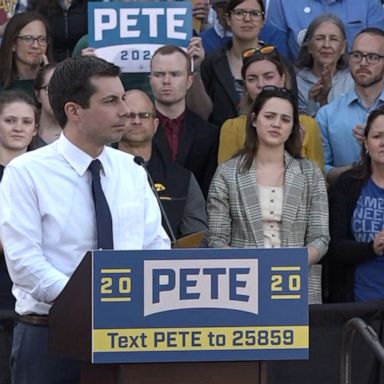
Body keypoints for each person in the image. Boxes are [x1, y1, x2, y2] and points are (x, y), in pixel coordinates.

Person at [0, 55, 170, 384]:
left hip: (127, 334)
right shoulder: (27, 172)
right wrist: (91, 303)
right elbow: (23, 262)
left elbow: (155, 247)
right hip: (50, 337)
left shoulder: (131, 170)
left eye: (122, 98)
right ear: (74, 111)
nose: (125, 110)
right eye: (110, 101)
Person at [207, 86, 329, 304]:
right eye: (270, 116)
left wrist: (288, 265)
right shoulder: (227, 173)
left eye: (285, 119)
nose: (276, 124)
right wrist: (253, 268)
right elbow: (217, 240)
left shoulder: (310, 174)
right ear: (254, 120)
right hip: (241, 286)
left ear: (293, 127)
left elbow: (320, 238)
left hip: (296, 284)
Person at [117, 89, 208, 243]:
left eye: (144, 115)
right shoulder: (99, 171)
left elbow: (198, 239)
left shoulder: (182, 179)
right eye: (129, 115)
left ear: (155, 124)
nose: (137, 121)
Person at [218, 46, 324, 170]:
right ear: (245, 86)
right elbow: (226, 180)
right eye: (252, 79)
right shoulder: (232, 128)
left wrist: (294, 150)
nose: (261, 84)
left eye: (268, 77)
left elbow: (318, 182)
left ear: (282, 80)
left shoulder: (308, 125)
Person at [327, 107, 384, 303]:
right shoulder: (347, 184)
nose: (383, 143)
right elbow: (334, 246)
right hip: (357, 303)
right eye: (377, 136)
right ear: (366, 143)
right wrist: (371, 248)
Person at [0, 90, 37, 384]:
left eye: (26, 121)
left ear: (36, 128)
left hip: (35, 305)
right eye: (9, 120)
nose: (18, 127)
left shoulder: (45, 175)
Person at [316, 27, 384, 185]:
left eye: (372, 57)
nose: (363, 63)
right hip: (346, 204)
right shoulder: (327, 115)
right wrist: (359, 169)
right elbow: (318, 172)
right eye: (357, 55)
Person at [149, 45, 218, 198]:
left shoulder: (209, 134)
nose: (166, 81)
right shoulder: (135, 128)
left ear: (189, 81)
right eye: (159, 74)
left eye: (175, 74)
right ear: (150, 79)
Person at [200, 0, 266, 128]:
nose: (247, 19)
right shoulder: (211, 63)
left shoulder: (279, 63)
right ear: (228, 19)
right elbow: (202, 114)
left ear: (263, 21)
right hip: (220, 143)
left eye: (254, 13)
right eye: (239, 13)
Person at [264, 0, 384, 63]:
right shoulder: (283, 2)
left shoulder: (369, 2)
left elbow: (378, 49)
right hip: (300, 86)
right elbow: (277, 56)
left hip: (356, 85)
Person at [296, 13, 354, 116]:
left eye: (333, 39)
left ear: (343, 47)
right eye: (320, 38)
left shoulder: (353, 82)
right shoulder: (297, 83)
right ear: (309, 46)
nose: (326, 45)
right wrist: (312, 103)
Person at [0, 11, 52, 97]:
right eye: (28, 38)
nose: (36, 45)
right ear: (13, 44)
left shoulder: (59, 81)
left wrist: (49, 80)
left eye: (42, 39)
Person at [31, 63, 60, 149]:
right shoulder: (22, 130)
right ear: (37, 95)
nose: (60, 95)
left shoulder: (86, 135)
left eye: (68, 89)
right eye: (51, 89)